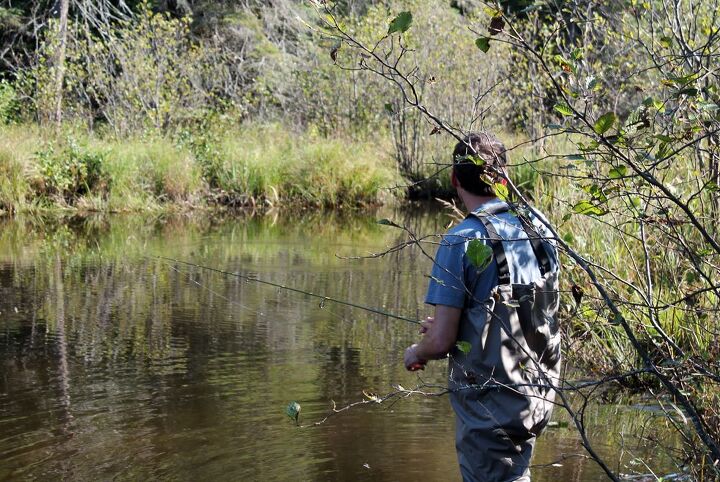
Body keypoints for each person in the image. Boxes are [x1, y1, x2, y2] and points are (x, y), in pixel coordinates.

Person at [403, 133, 561, 482]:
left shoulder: (460, 240)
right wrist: (461, 327)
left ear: (454, 180)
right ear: (503, 178)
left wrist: (418, 350)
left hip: (491, 403)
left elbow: (442, 341)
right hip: (539, 394)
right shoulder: (539, 225)